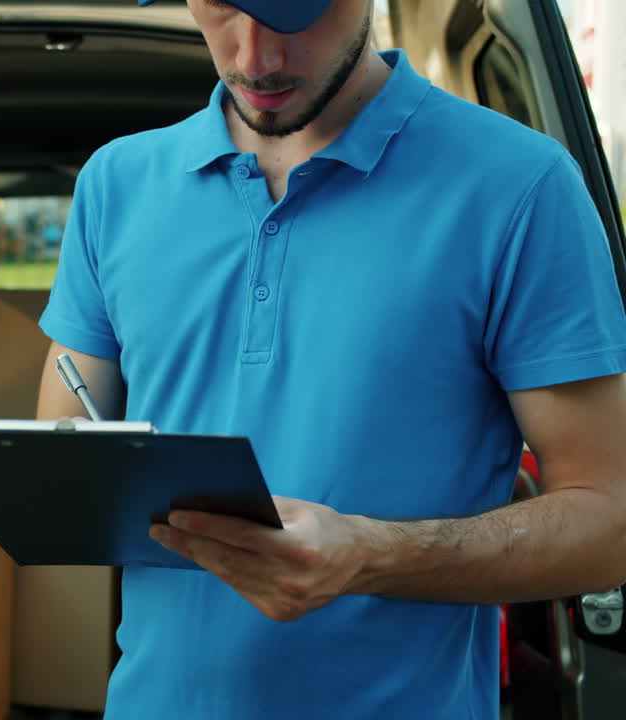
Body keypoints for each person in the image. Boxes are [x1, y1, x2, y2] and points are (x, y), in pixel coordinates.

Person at [35, 0, 626, 717]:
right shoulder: (114, 186)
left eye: (293, 7)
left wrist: (368, 555)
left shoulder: (519, 187)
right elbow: (65, 462)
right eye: (222, 6)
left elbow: (611, 521)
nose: (256, 57)